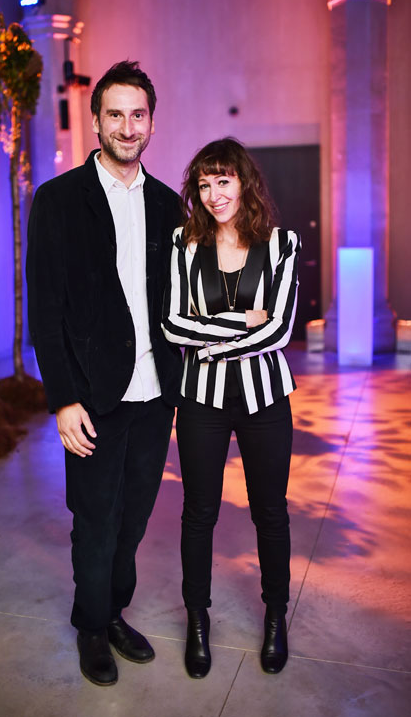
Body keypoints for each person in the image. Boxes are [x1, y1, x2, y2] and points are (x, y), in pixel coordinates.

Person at [26, 61, 182, 687]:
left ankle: (113, 610)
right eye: (113, 114)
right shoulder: (59, 200)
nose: (126, 126)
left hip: (155, 394)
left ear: (151, 122)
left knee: (136, 516)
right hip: (93, 396)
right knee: (95, 518)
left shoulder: (172, 206)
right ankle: (91, 626)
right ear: (95, 120)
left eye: (137, 114)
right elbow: (46, 309)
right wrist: (62, 399)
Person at [162, 137, 301, 678]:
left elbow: (281, 330)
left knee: (271, 510)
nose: (215, 194)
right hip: (202, 400)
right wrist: (245, 323)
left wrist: (209, 340)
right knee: (199, 513)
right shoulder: (183, 243)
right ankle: (197, 622)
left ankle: (275, 618)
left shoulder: (282, 243)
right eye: (204, 183)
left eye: (224, 180)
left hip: (265, 397)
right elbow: (173, 325)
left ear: (244, 181)